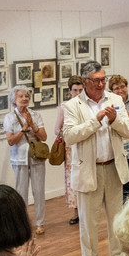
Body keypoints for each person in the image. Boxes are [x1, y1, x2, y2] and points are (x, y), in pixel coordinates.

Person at [63, 60, 129, 256]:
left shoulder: (115, 99)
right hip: (88, 170)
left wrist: (114, 121)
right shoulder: (72, 105)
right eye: (97, 80)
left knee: (117, 217)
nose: (102, 84)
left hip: (113, 167)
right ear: (85, 81)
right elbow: (70, 136)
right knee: (88, 220)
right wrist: (96, 121)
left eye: (104, 79)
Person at [4, 86, 48, 235]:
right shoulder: (9, 117)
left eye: (26, 96)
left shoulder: (35, 115)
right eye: (21, 96)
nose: (24, 98)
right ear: (14, 100)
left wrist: (32, 125)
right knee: (21, 192)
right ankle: (22, 223)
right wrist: (23, 129)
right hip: (19, 158)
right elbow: (10, 141)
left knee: (39, 190)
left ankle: (40, 223)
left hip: (37, 157)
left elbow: (43, 137)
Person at [54, 76, 83, 226]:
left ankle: (86, 211)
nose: (78, 93)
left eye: (80, 90)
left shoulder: (87, 105)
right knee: (72, 179)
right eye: (75, 90)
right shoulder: (64, 106)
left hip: (84, 144)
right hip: (71, 148)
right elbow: (56, 129)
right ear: (70, 91)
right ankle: (76, 212)